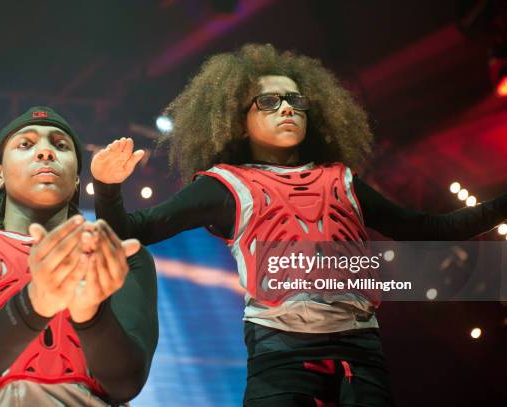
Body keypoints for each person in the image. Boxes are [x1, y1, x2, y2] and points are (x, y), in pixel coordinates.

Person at [90, 44, 507, 406]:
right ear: (239, 121)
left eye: (295, 100)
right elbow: (131, 231)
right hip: (278, 349)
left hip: (360, 347)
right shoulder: (224, 187)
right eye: (268, 102)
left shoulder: (341, 180)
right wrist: (107, 187)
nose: (287, 108)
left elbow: (428, 229)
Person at [0, 106, 158, 406]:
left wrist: (91, 314)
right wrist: (36, 303)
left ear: (77, 180)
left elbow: (126, 383)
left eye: (60, 145)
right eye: (26, 144)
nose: (45, 153)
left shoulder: (122, 258)